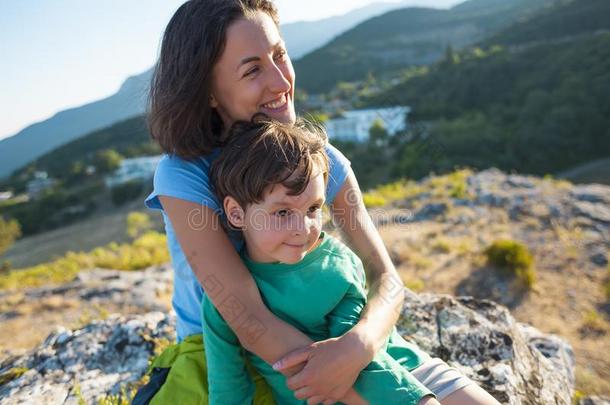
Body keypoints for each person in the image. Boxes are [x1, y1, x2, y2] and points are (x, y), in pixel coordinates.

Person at [135, 1, 501, 404]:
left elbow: (386, 280)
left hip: (348, 341)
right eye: (253, 69)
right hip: (239, 363)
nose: (280, 80)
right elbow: (248, 321)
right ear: (207, 92)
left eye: (280, 55)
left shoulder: (322, 159)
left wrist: (358, 345)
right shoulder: (183, 174)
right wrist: (358, 385)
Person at [203, 117, 439, 405]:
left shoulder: (337, 267)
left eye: (313, 208)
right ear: (237, 213)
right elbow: (228, 388)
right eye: (282, 213)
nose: (303, 229)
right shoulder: (224, 294)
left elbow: (364, 367)